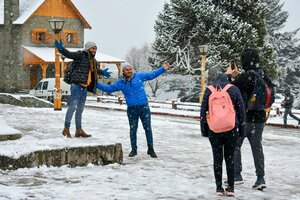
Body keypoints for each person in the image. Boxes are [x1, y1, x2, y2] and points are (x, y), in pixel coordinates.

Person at [96, 61, 171, 158]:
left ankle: (151, 149)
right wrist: (95, 83)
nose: (129, 71)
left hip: (144, 107)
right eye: (127, 70)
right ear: (123, 71)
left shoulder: (138, 76)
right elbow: (108, 88)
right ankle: (134, 150)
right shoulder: (120, 83)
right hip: (132, 109)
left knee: (147, 128)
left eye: (130, 69)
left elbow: (152, 75)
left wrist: (163, 68)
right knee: (133, 129)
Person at [226, 48, 269, 190]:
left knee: (235, 145)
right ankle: (260, 178)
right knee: (257, 147)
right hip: (260, 118)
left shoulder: (246, 77)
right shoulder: (262, 75)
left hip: (245, 118)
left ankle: (237, 175)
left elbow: (230, 89)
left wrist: (229, 76)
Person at [201, 73, 246, 197]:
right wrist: (242, 130)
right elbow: (241, 111)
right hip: (231, 129)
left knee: (217, 158)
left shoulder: (209, 90)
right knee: (230, 158)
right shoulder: (234, 89)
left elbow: (203, 111)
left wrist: (204, 130)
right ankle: (231, 188)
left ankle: (219, 188)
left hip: (214, 130)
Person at [54, 40, 111, 138]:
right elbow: (70, 54)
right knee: (72, 107)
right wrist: (61, 49)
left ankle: (79, 130)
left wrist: (103, 72)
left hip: (84, 87)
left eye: (95, 49)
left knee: (80, 109)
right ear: (88, 48)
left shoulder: (92, 60)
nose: (94, 50)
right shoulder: (81, 54)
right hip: (76, 86)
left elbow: (94, 70)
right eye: (93, 48)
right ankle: (66, 129)